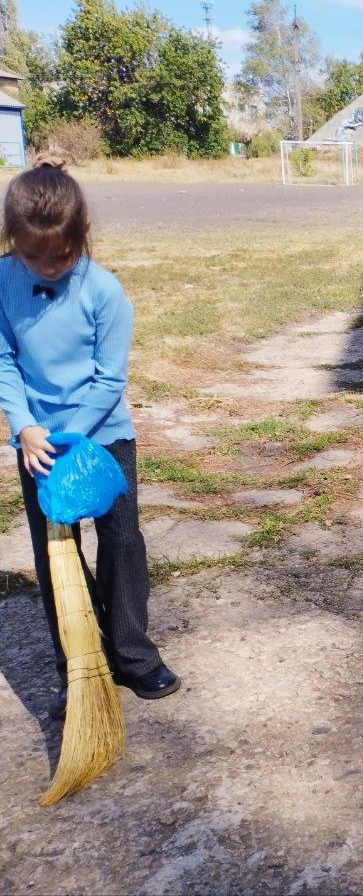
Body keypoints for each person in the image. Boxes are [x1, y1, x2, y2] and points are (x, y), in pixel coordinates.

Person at [0, 156, 181, 720]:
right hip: (39, 446)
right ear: (13, 241)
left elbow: (110, 378)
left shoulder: (104, 291)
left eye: (62, 255)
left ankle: (132, 655)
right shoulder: (3, 280)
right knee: (57, 553)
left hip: (103, 439)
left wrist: (74, 434)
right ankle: (77, 665)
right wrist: (25, 427)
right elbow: (3, 360)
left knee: (122, 541)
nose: (49, 268)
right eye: (34, 256)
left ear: (82, 238)